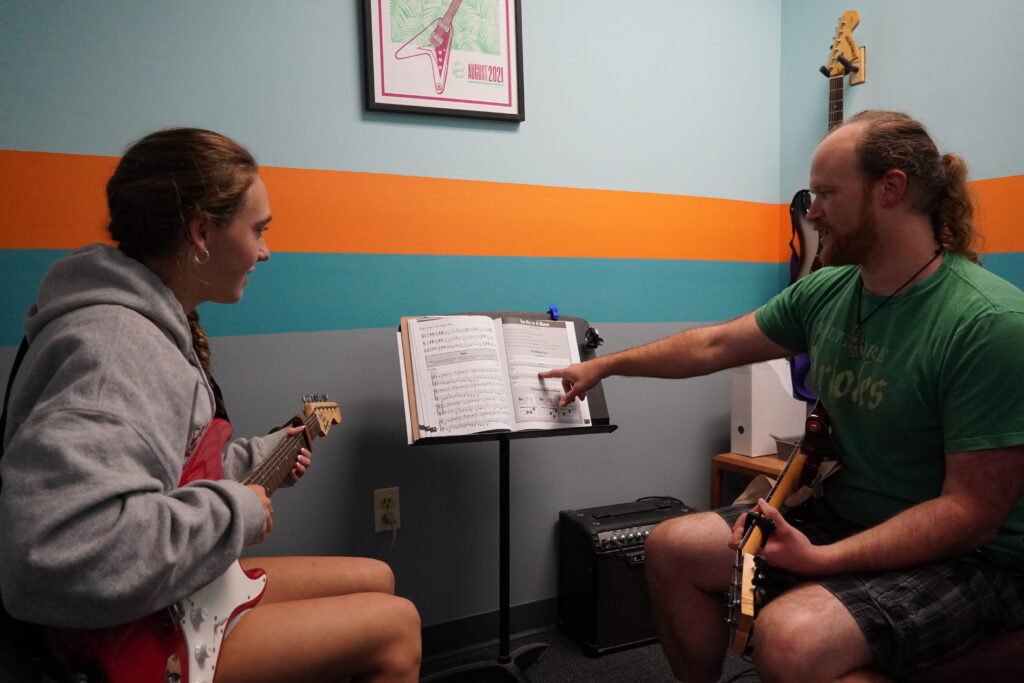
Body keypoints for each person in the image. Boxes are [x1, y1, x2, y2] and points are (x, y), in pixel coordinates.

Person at [539, 110, 1024, 682]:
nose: (812, 212)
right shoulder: (829, 290)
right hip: (848, 516)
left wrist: (821, 561)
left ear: (890, 189)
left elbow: (968, 515)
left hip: (977, 559)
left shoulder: (988, 323)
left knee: (790, 639)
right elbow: (714, 344)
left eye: (825, 194)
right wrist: (607, 367)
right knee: (671, 546)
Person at [0, 128, 421, 682]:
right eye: (258, 230)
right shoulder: (115, 352)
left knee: (377, 576)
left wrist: (258, 461)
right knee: (397, 624)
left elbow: (166, 472)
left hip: (159, 597)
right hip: (126, 637)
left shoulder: (153, 324)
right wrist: (238, 510)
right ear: (201, 230)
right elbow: (53, 561)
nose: (265, 251)